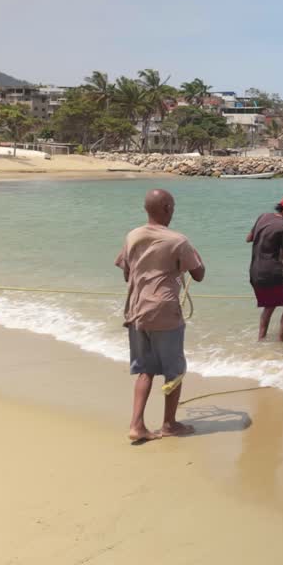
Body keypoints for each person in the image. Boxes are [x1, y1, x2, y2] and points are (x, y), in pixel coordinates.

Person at [115, 189, 206, 442]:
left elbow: (126, 272)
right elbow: (199, 275)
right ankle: (170, 424)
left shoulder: (132, 235)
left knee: (145, 370)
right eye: (173, 206)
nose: (173, 210)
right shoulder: (178, 240)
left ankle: (137, 425)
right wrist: (192, 255)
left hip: (136, 310)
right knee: (174, 371)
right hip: (164, 310)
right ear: (167, 208)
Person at [248, 195, 283, 342]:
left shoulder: (263, 217)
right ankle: (280, 342)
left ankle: (261, 339)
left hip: (255, 272)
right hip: (272, 272)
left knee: (270, 305)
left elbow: (249, 238)